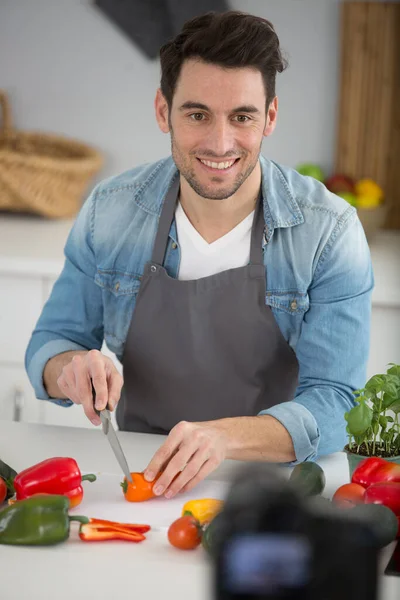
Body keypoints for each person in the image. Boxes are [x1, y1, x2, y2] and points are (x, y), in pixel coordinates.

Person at [25, 11, 373, 499]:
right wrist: (69, 369)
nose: (220, 142)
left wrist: (223, 437)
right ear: (163, 111)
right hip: (145, 476)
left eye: (242, 116)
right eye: (197, 114)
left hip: (271, 485)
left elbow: (337, 402)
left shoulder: (329, 231)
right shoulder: (110, 209)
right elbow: (52, 340)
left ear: (270, 117)